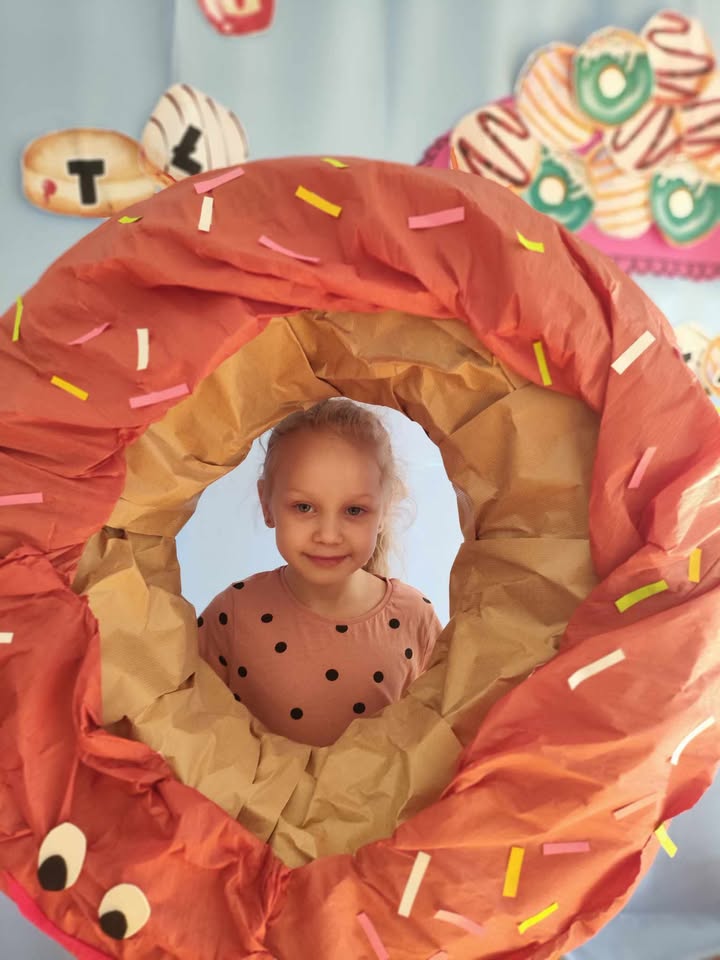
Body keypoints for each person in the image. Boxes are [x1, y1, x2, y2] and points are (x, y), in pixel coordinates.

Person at [197, 397, 444, 747]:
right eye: (304, 507)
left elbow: (435, 729)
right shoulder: (232, 614)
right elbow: (193, 723)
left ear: (383, 511)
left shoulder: (415, 618)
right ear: (266, 503)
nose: (328, 535)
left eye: (354, 510)